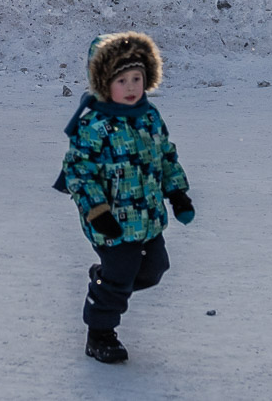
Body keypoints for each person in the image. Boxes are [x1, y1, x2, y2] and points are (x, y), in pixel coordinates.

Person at [55, 32, 193, 364]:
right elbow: (79, 173)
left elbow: (166, 156)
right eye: (121, 80)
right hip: (110, 221)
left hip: (147, 218)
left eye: (137, 79)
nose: (131, 87)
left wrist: (178, 194)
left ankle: (103, 278)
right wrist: (98, 211)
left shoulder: (149, 116)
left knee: (155, 268)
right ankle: (100, 334)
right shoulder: (94, 125)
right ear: (103, 83)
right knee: (120, 275)